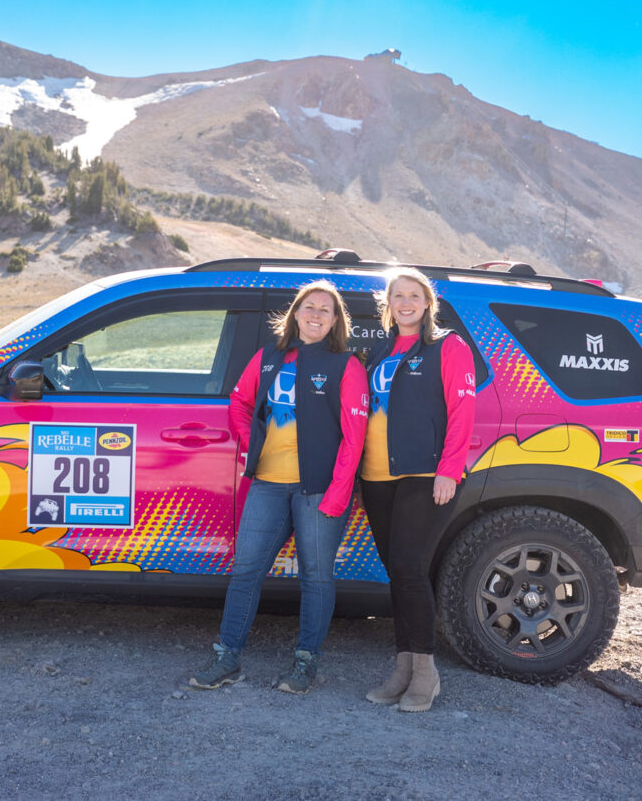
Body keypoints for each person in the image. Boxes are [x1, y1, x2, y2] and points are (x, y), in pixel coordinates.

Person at [189, 280, 369, 694]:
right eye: (310, 306)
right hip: (267, 485)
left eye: (327, 309)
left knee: (316, 577)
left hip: (319, 490)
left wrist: (339, 492)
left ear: (336, 320)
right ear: (296, 313)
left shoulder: (347, 366)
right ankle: (226, 657)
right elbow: (239, 401)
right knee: (246, 572)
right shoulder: (269, 357)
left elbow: (354, 437)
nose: (317, 314)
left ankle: (305, 663)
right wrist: (252, 443)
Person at [361, 267, 477, 712]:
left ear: (427, 302)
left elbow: (462, 409)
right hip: (376, 476)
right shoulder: (381, 349)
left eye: (413, 295)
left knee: (410, 568)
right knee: (398, 574)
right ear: (387, 304)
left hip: (425, 474)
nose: (405, 303)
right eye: (397, 296)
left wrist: (449, 470)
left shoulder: (447, 346)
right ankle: (403, 668)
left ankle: (425, 674)